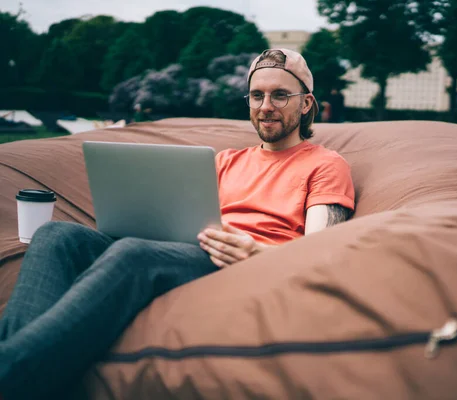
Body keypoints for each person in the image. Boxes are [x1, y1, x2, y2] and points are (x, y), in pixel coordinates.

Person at [0, 48, 355, 400]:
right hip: (185, 246)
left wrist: (257, 252)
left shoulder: (325, 164)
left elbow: (317, 252)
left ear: (306, 104)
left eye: (280, 95)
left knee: (132, 253)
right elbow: (184, 215)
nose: (266, 106)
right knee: (56, 234)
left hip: (235, 263)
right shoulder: (226, 161)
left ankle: (12, 375)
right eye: (257, 95)